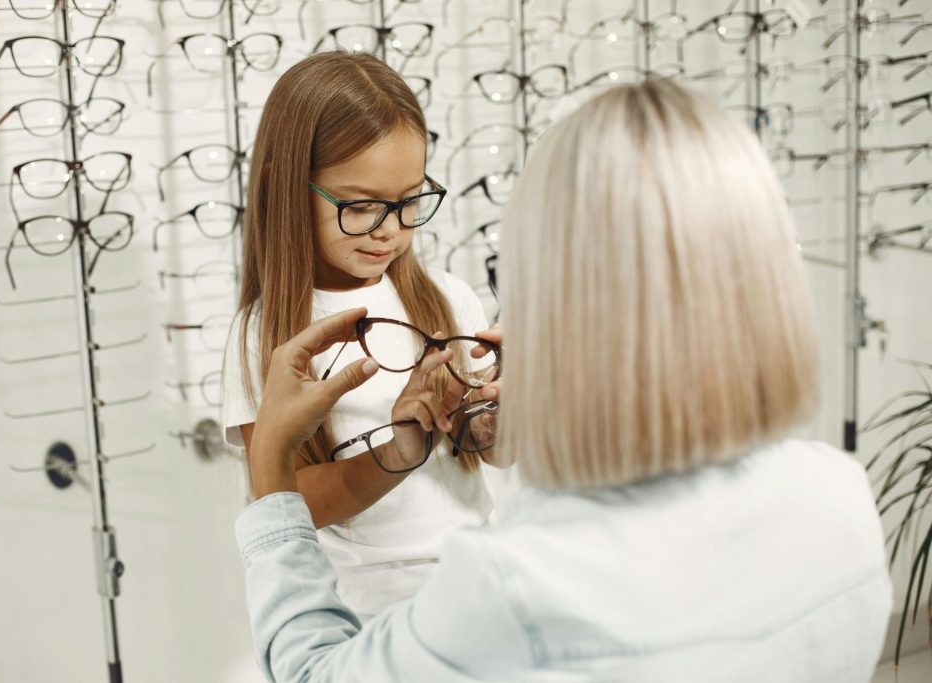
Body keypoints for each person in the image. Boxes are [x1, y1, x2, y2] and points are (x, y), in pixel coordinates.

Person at [233, 78, 893, 682]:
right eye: (361, 206)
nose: (389, 230)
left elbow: (310, 672)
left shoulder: (515, 583)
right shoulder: (841, 496)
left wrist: (271, 467)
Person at [221, 51, 509, 619]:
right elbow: (285, 502)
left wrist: (502, 416)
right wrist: (397, 450)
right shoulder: (265, 336)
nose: (391, 231)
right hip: (362, 615)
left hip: (477, 586)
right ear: (287, 187)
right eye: (361, 207)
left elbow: (497, 455)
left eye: (408, 203)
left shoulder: (448, 298)